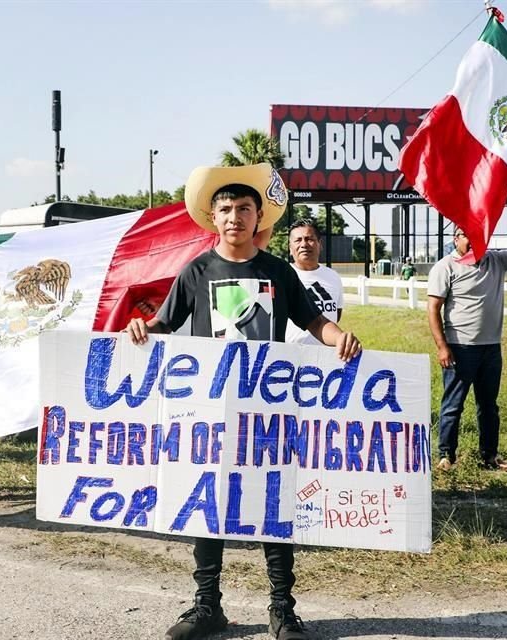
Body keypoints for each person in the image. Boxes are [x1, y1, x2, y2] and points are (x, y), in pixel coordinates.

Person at [126, 163, 361, 640]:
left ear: (259, 218)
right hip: (211, 408)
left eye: (245, 209)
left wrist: (339, 337)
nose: (236, 217)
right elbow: (165, 323)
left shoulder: (277, 271)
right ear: (213, 217)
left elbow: (314, 321)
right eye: (227, 209)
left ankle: (282, 610)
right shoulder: (197, 271)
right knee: (209, 504)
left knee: (273, 505)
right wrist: (140, 327)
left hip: (267, 408)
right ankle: (207, 606)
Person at [427, 200, 507, 472]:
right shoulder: (445, 268)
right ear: (454, 239)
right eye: (464, 235)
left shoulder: (496, 260)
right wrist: (442, 347)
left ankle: (490, 456)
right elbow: (433, 309)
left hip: (490, 349)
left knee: (488, 406)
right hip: (460, 349)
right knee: (452, 406)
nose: (471, 240)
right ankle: (446, 455)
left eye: (476, 234)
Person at [286, 219, 345, 347]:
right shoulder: (283, 275)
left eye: (309, 239)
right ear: (290, 248)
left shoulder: (333, 276)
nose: (304, 244)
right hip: (291, 354)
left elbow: (336, 314)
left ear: (320, 244)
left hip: (327, 356)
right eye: (298, 240)